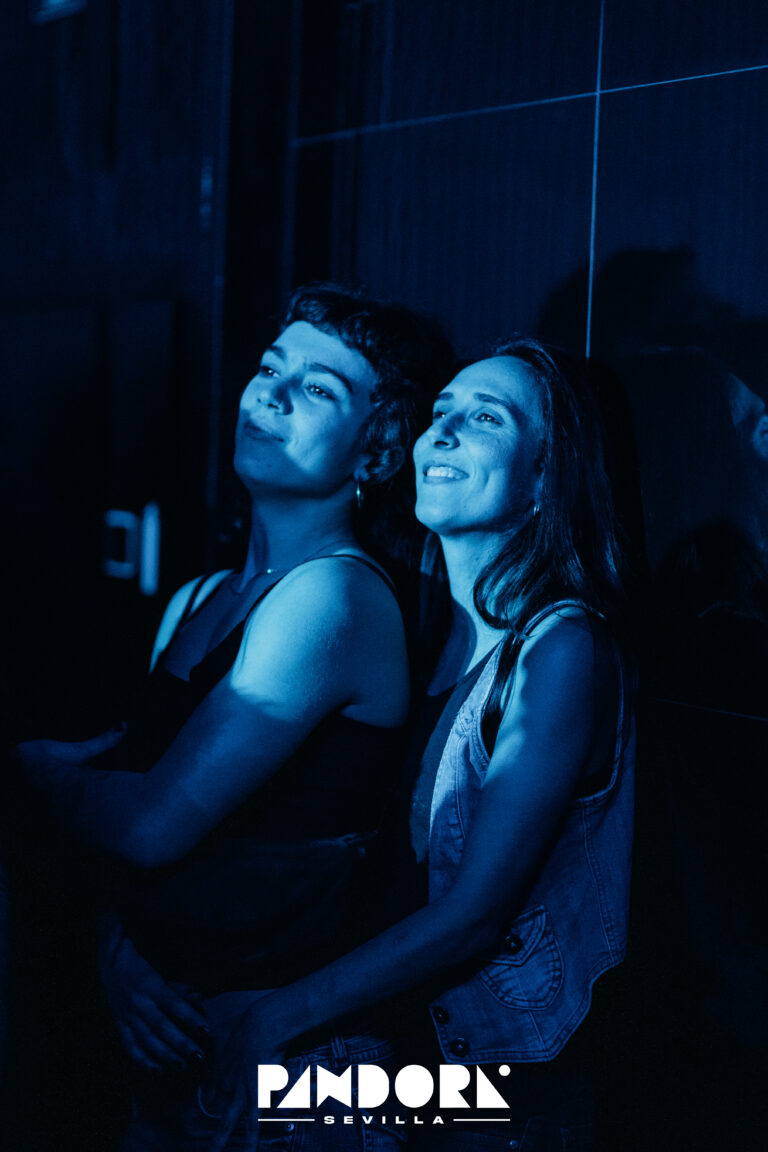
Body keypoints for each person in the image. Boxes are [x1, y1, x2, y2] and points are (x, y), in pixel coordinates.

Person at [13, 282, 454, 1150]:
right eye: (269, 367)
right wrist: (116, 950)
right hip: (171, 1059)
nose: (271, 395)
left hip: (290, 1079)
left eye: (318, 387)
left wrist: (38, 775)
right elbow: (126, 834)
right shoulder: (199, 597)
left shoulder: (333, 596)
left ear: (376, 454)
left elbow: (147, 827)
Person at [191, 335, 634, 1152]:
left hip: (502, 1093)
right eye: (440, 412)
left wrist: (273, 1017)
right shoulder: (419, 628)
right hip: (402, 1050)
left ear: (545, 475)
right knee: (192, 1068)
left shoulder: (561, 647)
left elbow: (472, 918)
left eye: (486, 419)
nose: (445, 433)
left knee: (244, 1093)